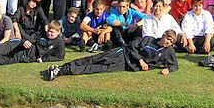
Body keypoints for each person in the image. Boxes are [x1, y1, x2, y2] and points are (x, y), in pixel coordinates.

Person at [46, 29, 178, 80]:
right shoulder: (149, 40)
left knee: (96, 68)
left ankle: (62, 71)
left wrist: (168, 69)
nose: (168, 42)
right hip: (122, 54)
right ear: (163, 35)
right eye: (168, 39)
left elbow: (174, 65)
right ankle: (61, 67)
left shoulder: (169, 51)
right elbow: (131, 46)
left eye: (171, 41)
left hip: (126, 66)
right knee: (93, 59)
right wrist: (140, 60)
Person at [0, 21, 65, 66]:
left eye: (52, 32)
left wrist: (43, 59)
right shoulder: (42, 33)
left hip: (27, 57)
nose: (49, 33)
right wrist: (25, 41)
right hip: (20, 46)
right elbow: (31, 39)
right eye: (49, 31)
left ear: (58, 32)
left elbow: (60, 57)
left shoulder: (59, 42)